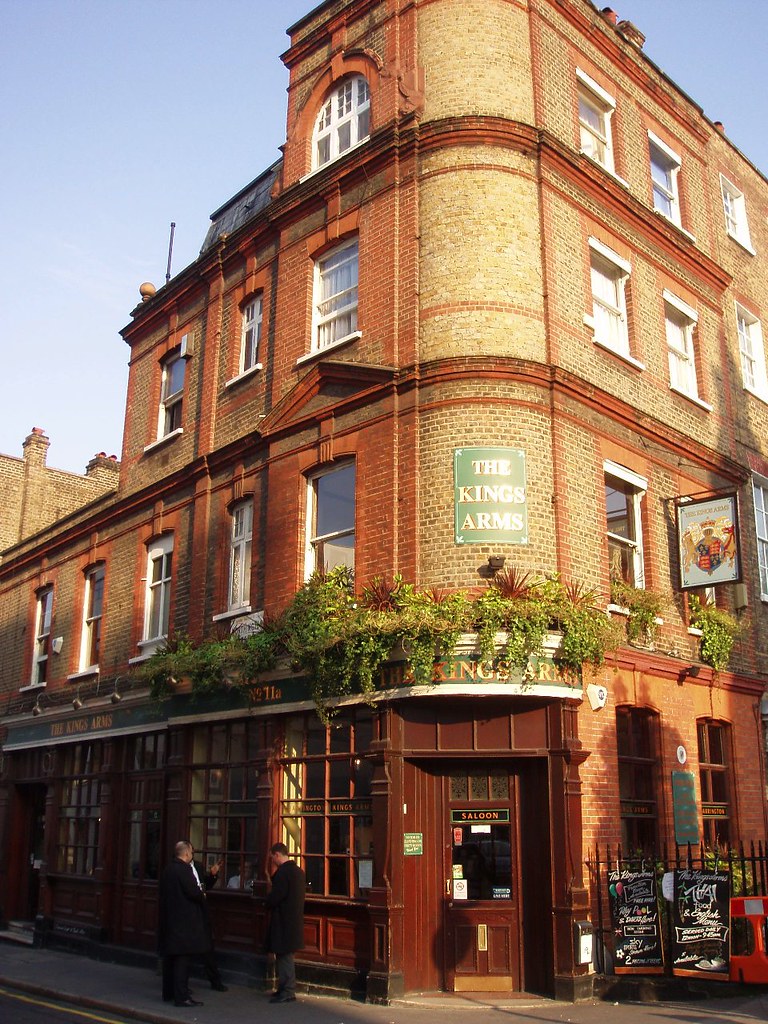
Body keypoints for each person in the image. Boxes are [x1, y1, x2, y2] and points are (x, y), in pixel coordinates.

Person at [158, 840, 209, 1007]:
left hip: (169, 921)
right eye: (191, 853)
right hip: (184, 923)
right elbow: (194, 893)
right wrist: (202, 894)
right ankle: (182, 997)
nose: (192, 856)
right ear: (186, 853)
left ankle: (169, 993)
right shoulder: (184, 870)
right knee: (182, 961)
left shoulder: (168, 870)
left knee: (170, 959)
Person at [265, 842, 306, 1003]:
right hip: (294, 920)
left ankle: (287, 990)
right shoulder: (298, 872)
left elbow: (276, 896)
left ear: (277, 855)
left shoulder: (283, 874)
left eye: (272, 857)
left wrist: (267, 902)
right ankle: (284, 988)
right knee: (284, 955)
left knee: (285, 955)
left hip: (283, 921)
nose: (272, 861)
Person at [190, 851, 228, 991]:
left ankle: (215, 981)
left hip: (201, 913)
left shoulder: (198, 867)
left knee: (208, 949)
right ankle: (182, 983)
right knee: (185, 951)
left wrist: (213, 874)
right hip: (187, 915)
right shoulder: (180, 869)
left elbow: (205, 886)